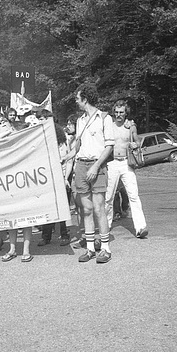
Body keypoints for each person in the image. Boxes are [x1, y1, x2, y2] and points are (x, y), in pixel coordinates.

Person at [72, 83, 114, 264]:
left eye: (77, 98)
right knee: (86, 209)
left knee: (99, 208)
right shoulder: (79, 120)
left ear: (85, 99)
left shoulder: (105, 118)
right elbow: (77, 147)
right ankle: (90, 248)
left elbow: (109, 146)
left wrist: (96, 166)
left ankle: (105, 248)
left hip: (97, 166)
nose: (76, 101)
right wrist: (66, 157)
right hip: (81, 165)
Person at [104, 99, 148, 238]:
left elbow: (138, 141)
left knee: (133, 195)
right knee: (108, 196)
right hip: (111, 163)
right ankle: (105, 225)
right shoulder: (108, 125)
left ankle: (140, 227)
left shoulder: (130, 127)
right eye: (116, 112)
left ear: (126, 113)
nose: (118, 115)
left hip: (126, 163)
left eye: (121, 112)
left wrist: (135, 144)